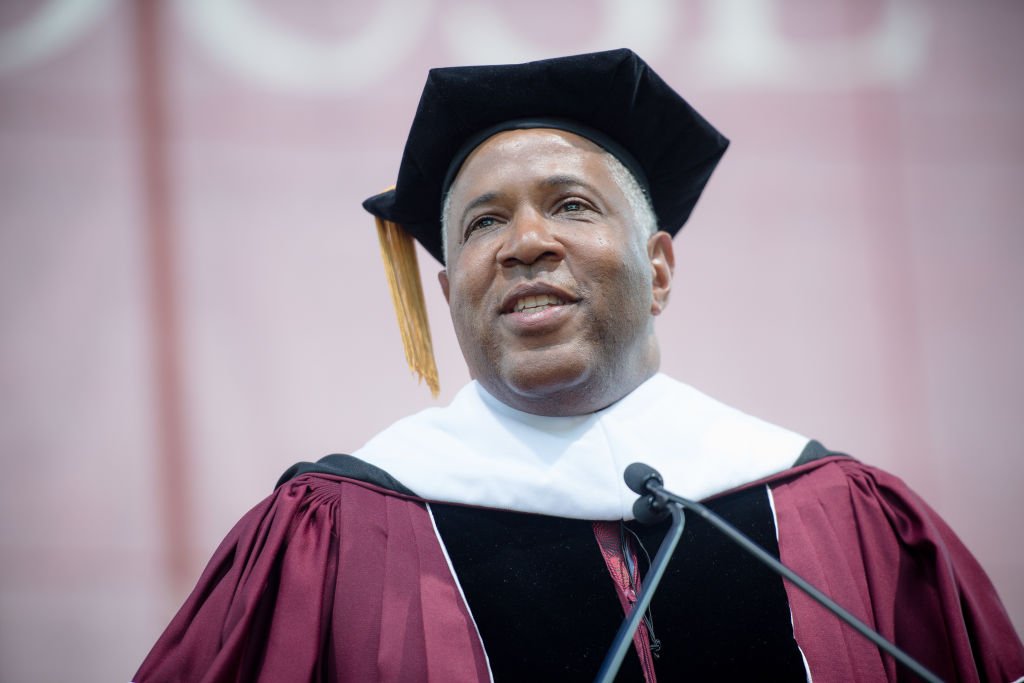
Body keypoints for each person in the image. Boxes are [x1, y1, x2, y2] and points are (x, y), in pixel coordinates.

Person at [134, 49, 1023, 682]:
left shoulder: (839, 514)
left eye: (570, 205)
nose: (526, 243)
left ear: (660, 268)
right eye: (482, 223)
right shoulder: (333, 534)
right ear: (448, 295)